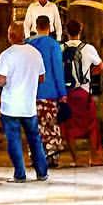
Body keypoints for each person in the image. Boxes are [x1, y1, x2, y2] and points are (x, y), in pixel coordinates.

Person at [0, 22, 48, 183]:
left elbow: (1, 81)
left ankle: (20, 173)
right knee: (34, 138)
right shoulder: (35, 53)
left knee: (14, 139)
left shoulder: (6, 55)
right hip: (28, 104)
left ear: (11, 36)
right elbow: (41, 77)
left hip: (11, 105)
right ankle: (42, 172)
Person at [59, 18, 103, 166]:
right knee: (91, 125)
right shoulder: (88, 48)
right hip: (84, 92)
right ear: (81, 30)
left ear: (66, 32)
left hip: (67, 92)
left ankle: (75, 159)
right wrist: (89, 73)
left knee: (68, 126)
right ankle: (94, 158)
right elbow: (101, 68)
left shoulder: (60, 48)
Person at [27, 14, 67, 166]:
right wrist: (62, 93)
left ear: (35, 28)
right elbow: (57, 69)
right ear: (49, 28)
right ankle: (51, 157)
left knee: (34, 126)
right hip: (50, 92)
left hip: (32, 93)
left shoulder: (28, 44)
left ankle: (36, 156)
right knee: (50, 125)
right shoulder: (53, 45)